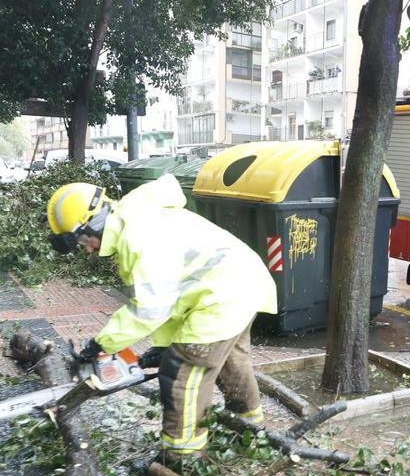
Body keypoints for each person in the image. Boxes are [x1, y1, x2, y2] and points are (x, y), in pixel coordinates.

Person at [46, 174, 277, 457]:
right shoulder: (138, 217)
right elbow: (174, 293)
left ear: (92, 225)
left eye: (82, 241)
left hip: (221, 297)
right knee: (232, 363)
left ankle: (182, 459)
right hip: (239, 285)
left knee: (182, 374)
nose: (87, 248)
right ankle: (248, 433)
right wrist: (163, 345)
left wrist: (101, 344)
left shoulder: (137, 238)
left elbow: (149, 309)